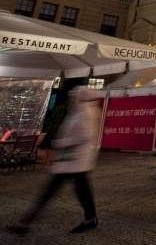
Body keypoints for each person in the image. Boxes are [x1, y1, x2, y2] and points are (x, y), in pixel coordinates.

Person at [7, 86, 100, 234]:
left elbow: (84, 136)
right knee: (80, 191)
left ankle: (25, 222)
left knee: (53, 190)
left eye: (74, 96)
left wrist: (59, 143)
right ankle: (90, 219)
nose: (72, 99)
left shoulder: (85, 112)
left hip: (75, 160)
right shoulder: (80, 111)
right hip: (71, 160)